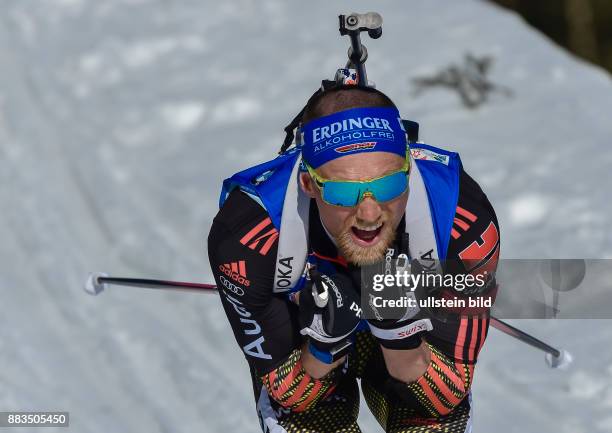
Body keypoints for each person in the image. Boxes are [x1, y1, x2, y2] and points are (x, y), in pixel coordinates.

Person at [208, 84, 500, 433]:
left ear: (409, 171)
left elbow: (447, 396)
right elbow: (291, 397)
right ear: (309, 184)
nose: (369, 213)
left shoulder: (459, 217)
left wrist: (399, 332)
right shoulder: (247, 235)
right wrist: (323, 344)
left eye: (389, 185)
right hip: (309, 362)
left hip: (414, 363)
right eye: (344, 191)